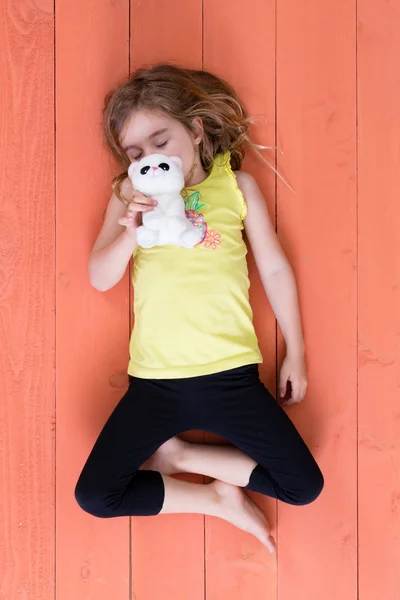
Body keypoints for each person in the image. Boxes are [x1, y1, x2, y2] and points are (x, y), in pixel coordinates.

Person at [74, 64, 324, 553]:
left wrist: (295, 350)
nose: (151, 158)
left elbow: (273, 270)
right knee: (96, 495)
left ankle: (181, 453)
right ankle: (214, 502)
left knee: (302, 486)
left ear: (196, 128)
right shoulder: (128, 197)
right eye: (136, 153)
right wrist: (130, 227)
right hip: (155, 383)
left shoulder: (236, 187)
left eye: (161, 140)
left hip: (231, 376)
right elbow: (100, 277)